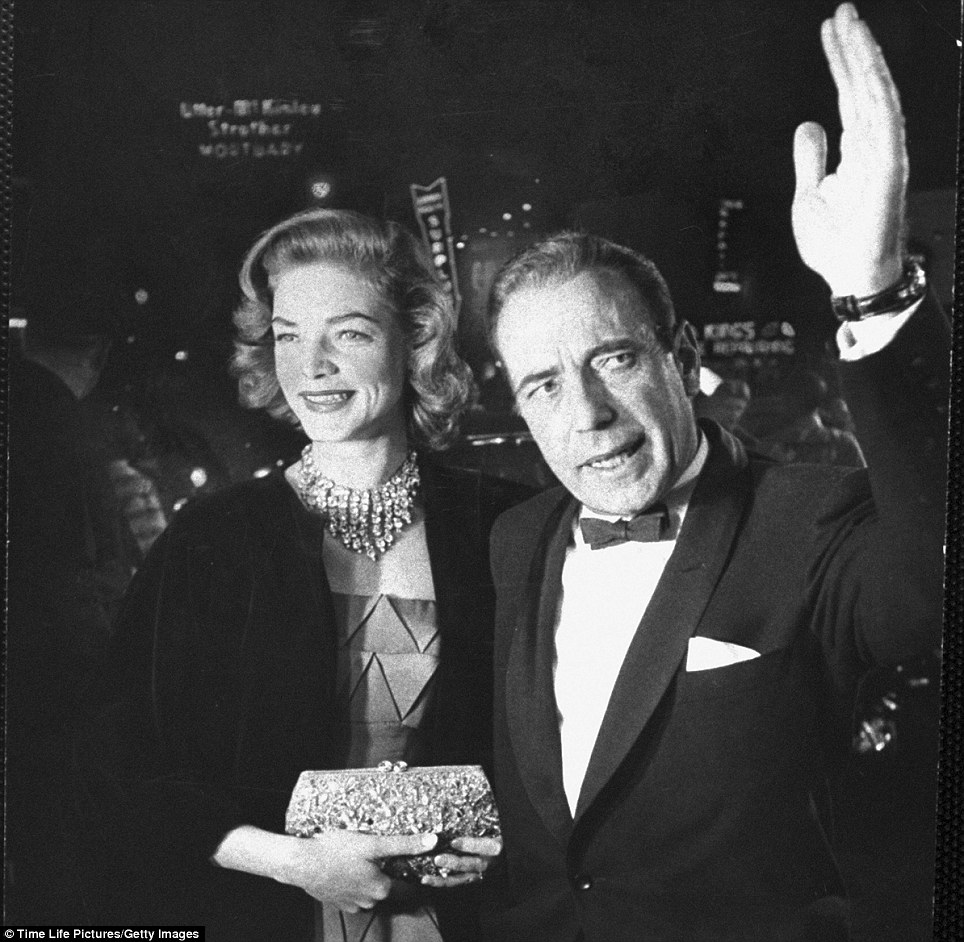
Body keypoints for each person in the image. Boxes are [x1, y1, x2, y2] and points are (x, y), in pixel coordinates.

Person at [481, 5, 947, 941]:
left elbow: (935, 579)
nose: (586, 416)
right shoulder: (514, 539)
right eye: (543, 384)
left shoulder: (812, 520)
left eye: (612, 360)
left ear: (680, 357)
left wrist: (876, 290)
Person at [78, 209, 528, 941]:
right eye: (288, 335)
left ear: (414, 339)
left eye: (347, 333)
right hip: (268, 919)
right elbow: (116, 768)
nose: (310, 366)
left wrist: (502, 846)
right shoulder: (211, 542)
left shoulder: (503, 529)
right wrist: (294, 863)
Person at [761, 369, 866, 466]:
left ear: (789, 400)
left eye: (785, 398)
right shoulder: (844, 442)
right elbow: (863, 481)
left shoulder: (774, 445)